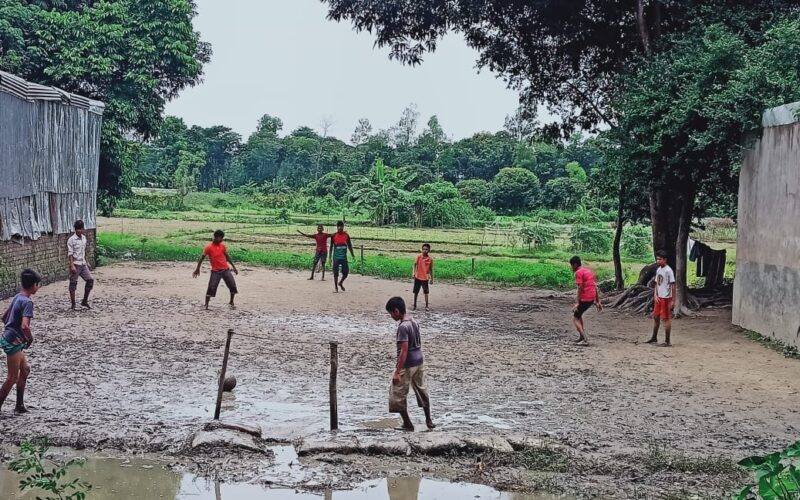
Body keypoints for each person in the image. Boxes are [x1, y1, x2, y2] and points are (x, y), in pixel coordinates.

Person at [385, 296, 435, 432]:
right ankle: (428, 420)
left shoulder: (403, 327)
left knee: (397, 394)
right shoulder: (413, 321)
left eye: (391, 313)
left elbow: (404, 351)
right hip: (419, 361)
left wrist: (397, 371)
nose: (391, 316)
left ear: (396, 311)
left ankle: (407, 423)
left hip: (408, 364)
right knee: (422, 389)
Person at [0, 269, 41, 414]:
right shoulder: (28, 302)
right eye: (38, 285)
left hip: (10, 339)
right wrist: (30, 338)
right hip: (14, 343)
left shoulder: (18, 296)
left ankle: (19, 406)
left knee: (25, 370)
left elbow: (4, 317)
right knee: (11, 378)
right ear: (34, 285)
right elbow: (25, 326)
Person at [193, 230, 239, 310]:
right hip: (215, 271)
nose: (222, 240)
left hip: (225, 270)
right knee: (211, 287)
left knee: (232, 286)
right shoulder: (208, 247)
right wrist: (197, 268)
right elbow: (201, 258)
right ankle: (206, 305)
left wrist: (234, 267)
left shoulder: (222, 246)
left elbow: (227, 257)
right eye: (221, 238)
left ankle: (231, 301)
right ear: (216, 237)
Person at [570, 256, 602, 346]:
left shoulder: (578, 273)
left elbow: (580, 288)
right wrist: (597, 301)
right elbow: (594, 286)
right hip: (591, 298)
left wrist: (577, 302)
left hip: (585, 298)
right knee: (579, 315)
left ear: (575, 264)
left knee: (575, 317)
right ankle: (581, 337)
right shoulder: (588, 271)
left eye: (571, 265)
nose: (571, 268)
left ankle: (585, 339)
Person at [648, 250, 676, 347]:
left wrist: (673, 300)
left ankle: (667, 341)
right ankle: (654, 337)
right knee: (656, 317)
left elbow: (673, 285)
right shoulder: (659, 270)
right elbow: (656, 284)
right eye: (657, 259)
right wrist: (655, 295)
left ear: (665, 260)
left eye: (660, 259)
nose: (658, 261)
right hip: (659, 297)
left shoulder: (669, 271)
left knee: (665, 319)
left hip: (666, 297)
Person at [67, 220, 94, 310]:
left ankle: (84, 301)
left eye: (80, 229)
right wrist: (72, 265)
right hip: (75, 263)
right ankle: (73, 304)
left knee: (90, 280)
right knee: (73, 283)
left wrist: (87, 261)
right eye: (77, 229)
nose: (79, 231)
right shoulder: (71, 240)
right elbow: (70, 254)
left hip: (83, 263)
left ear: (83, 229)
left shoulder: (84, 238)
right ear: (75, 229)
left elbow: (83, 252)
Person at [329, 221, 355, 293]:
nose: (340, 228)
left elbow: (349, 245)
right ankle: (336, 287)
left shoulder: (346, 235)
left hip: (344, 257)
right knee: (335, 273)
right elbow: (331, 247)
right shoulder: (333, 236)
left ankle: (340, 283)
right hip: (336, 257)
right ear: (337, 227)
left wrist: (352, 255)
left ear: (343, 227)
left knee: (346, 272)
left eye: (341, 226)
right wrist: (330, 257)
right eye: (338, 226)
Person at [412, 244, 434, 311]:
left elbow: (430, 269)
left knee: (426, 292)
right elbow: (414, 265)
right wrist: (413, 273)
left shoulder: (430, 259)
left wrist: (432, 279)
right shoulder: (418, 257)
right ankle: (415, 305)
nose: (425, 250)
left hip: (425, 278)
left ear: (429, 250)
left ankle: (427, 306)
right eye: (423, 249)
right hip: (418, 276)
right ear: (421, 249)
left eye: (426, 249)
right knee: (416, 292)